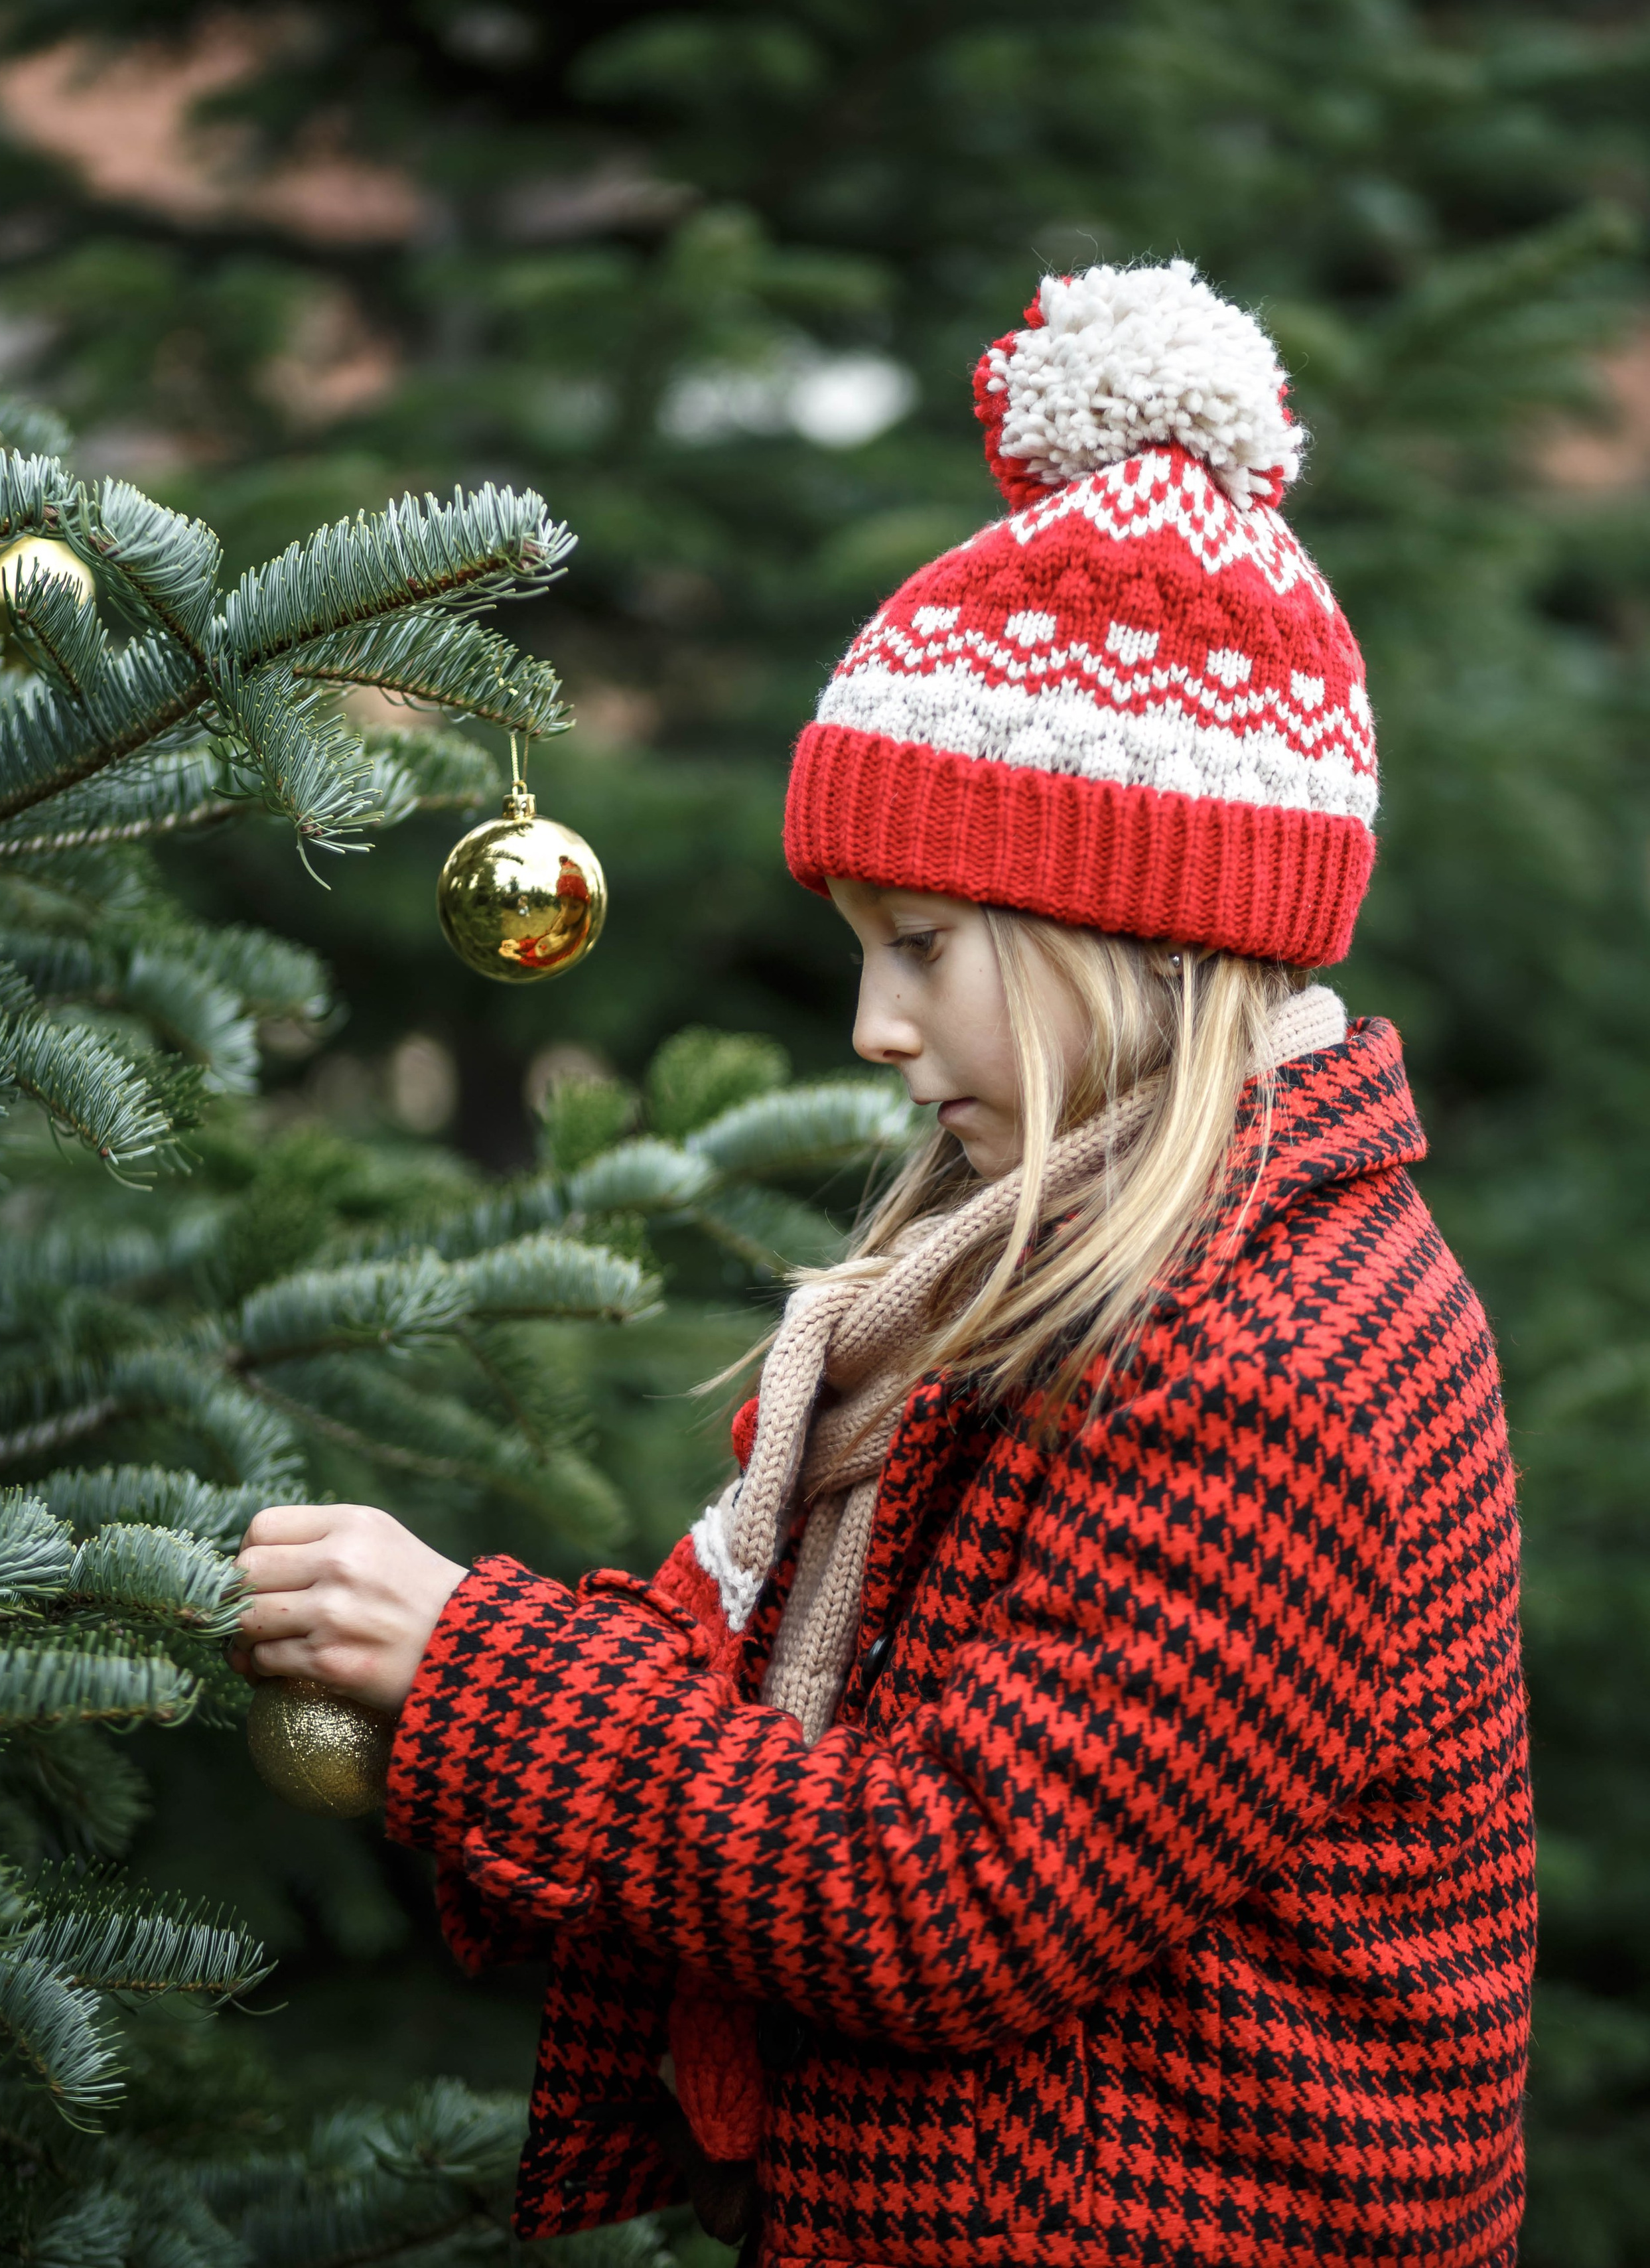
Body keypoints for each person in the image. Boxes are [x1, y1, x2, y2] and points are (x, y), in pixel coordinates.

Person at [234, 259, 1533, 2267]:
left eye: (922, 946)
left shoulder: (1285, 1353)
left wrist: (478, 1672)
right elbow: (787, 1707)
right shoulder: (1086, 1269)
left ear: (1130, 930)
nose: (873, 1025)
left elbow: (948, 1898)